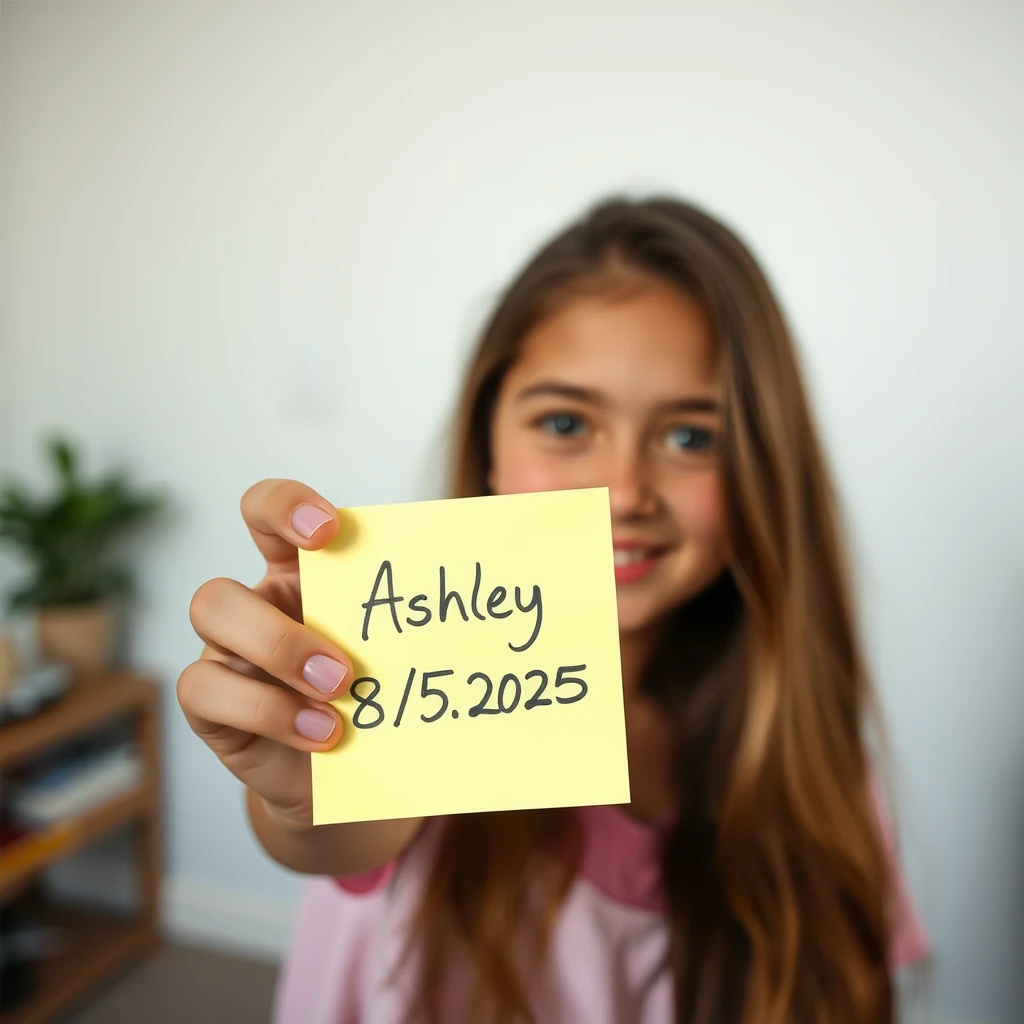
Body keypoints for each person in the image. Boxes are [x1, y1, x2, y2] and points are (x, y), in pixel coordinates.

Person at [178, 196, 929, 1023]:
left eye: (691, 438)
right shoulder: (409, 686)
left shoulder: (815, 767)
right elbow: (325, 830)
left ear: (761, 470)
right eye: (567, 422)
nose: (625, 492)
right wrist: (307, 788)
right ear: (489, 443)